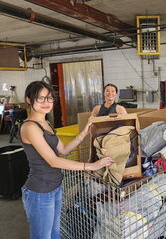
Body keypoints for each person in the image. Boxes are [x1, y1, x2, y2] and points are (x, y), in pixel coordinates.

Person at [20, 81, 115, 239]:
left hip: (55, 187)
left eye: (49, 98)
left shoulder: (46, 123)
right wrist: (90, 166)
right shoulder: (30, 127)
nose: (46, 103)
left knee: (55, 234)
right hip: (40, 191)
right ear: (29, 100)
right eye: (40, 98)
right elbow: (53, 161)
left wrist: (84, 132)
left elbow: (63, 149)